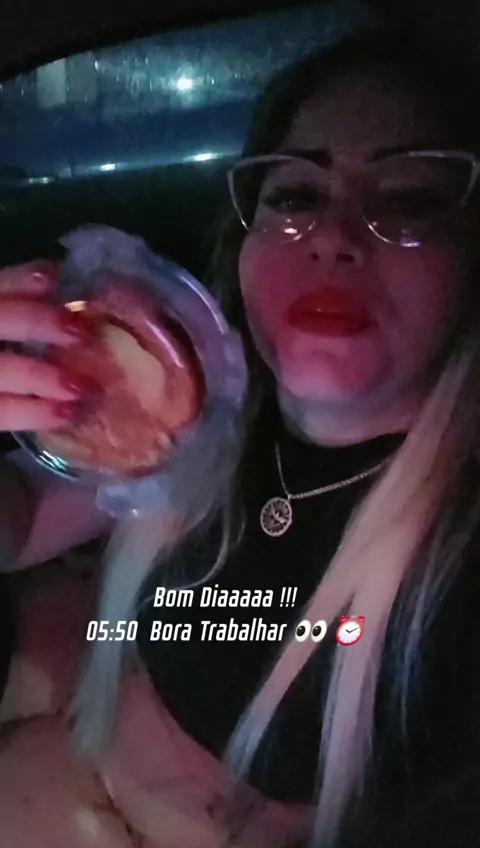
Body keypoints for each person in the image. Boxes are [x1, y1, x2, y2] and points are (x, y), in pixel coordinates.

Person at [2, 21, 480, 848]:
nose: (333, 238)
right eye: (294, 196)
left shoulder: (459, 548)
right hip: (75, 758)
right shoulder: (185, 406)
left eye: (408, 199)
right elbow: (19, 521)